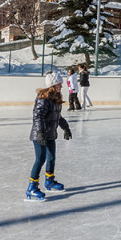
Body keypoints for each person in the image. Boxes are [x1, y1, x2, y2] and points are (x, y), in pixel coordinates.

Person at [26, 72, 73, 202]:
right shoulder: (43, 97)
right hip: (40, 134)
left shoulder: (56, 98)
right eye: (59, 84)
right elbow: (38, 116)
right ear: (53, 84)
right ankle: (32, 187)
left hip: (51, 134)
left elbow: (58, 116)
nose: (61, 86)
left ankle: (49, 181)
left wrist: (66, 128)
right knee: (40, 159)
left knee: (51, 158)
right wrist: (40, 132)